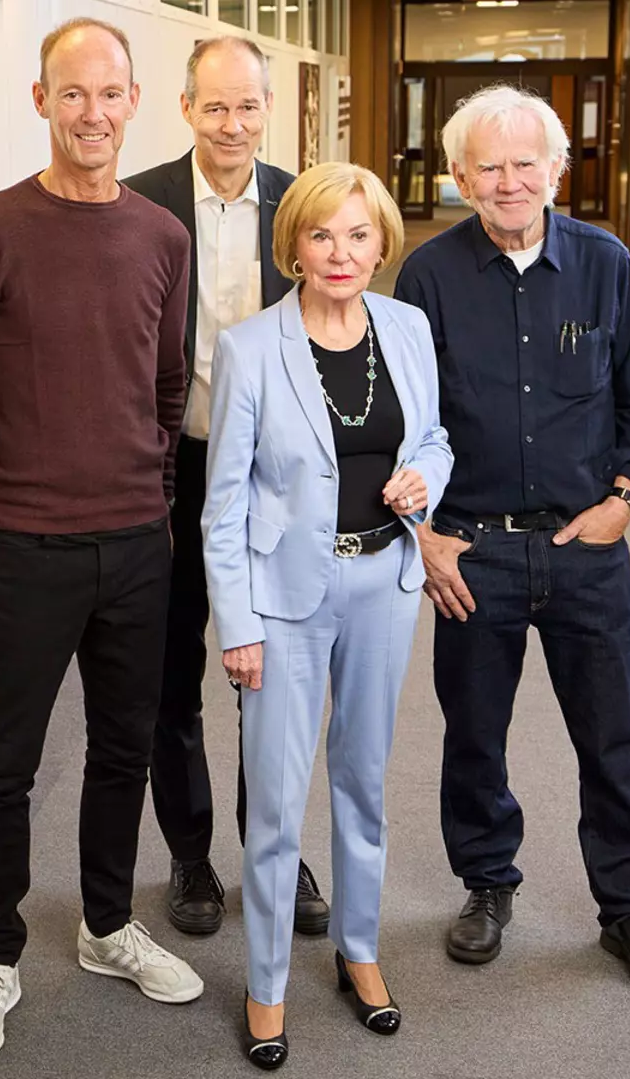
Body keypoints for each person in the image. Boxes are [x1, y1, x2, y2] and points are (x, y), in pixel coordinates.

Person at [0, 17, 201, 1062]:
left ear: (135, 102)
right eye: (72, 93)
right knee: (6, 762)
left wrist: (158, 505)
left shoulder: (162, 238)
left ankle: (106, 926)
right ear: (41, 101)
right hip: (26, 545)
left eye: (110, 93)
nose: (93, 113)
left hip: (136, 544)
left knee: (125, 748)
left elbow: (167, 386)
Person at [393, 84, 630, 1001]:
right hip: (472, 552)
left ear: (557, 168)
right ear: (459, 175)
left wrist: (625, 500)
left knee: (611, 737)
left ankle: (629, 910)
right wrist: (426, 538)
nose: (509, 181)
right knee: (474, 734)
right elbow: (405, 419)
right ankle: (487, 883)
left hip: (584, 549)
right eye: (489, 166)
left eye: (526, 163)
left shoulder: (604, 263)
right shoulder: (428, 276)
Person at [203, 162, 452, 1070]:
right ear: (294, 247)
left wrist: (425, 480)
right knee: (276, 802)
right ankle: (266, 982)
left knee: (363, 781)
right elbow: (223, 506)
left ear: (381, 244)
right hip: (284, 602)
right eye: (320, 235)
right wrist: (237, 624)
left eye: (357, 235)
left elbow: (435, 438)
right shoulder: (249, 348)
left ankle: (359, 949)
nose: (340, 253)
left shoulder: (408, 328)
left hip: (385, 582)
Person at [122, 35, 327, 940]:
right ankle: (189, 854)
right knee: (172, 674)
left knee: (271, 675)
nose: (232, 124)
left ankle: (274, 848)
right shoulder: (141, 203)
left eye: (247, 106)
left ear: (268, 108)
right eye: (215, 107)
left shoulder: (303, 203)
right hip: (174, 468)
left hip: (272, 478)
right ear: (185, 109)